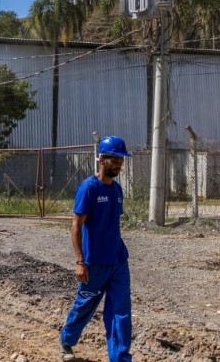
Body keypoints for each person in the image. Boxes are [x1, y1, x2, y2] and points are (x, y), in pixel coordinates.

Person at [59, 135, 132, 362]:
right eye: (115, 159)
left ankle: (120, 358)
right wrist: (80, 261)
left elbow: (112, 224)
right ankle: (66, 341)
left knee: (121, 313)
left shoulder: (117, 190)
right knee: (85, 306)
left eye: (121, 159)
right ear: (102, 160)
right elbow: (76, 225)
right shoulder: (88, 188)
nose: (119, 163)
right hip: (94, 264)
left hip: (118, 261)